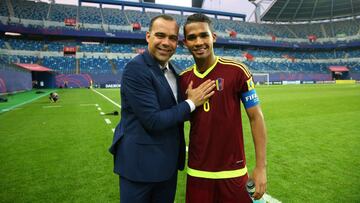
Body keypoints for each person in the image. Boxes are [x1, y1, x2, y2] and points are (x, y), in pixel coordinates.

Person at [109, 14, 215, 203]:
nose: (166, 42)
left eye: (172, 38)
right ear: (148, 36)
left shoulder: (173, 71)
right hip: (139, 167)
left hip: (167, 165)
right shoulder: (136, 69)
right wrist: (191, 103)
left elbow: (178, 112)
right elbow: (153, 120)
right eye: (160, 35)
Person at [179, 13, 267, 203]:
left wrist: (261, 167)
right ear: (185, 43)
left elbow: (256, 117)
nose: (199, 42)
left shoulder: (237, 71)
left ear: (214, 37)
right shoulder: (183, 79)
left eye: (204, 35)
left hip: (234, 172)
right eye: (192, 38)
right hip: (197, 172)